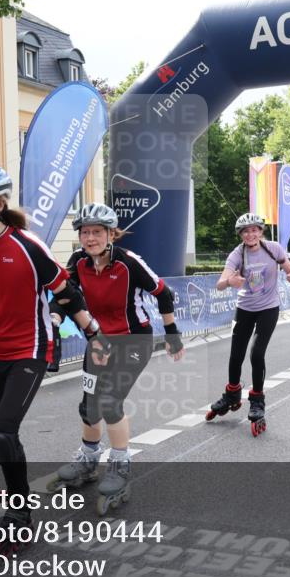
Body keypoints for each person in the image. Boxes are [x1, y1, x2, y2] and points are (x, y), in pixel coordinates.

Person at [0, 163, 111, 558]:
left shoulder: (29, 247)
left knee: (0, 433)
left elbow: (66, 294)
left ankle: (20, 516)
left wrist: (93, 334)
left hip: (31, 351)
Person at [48, 203, 185, 514]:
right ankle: (88, 458)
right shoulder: (77, 261)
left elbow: (163, 293)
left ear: (111, 234)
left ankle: (120, 464)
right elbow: (63, 296)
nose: (91, 238)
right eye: (85, 232)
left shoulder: (128, 262)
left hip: (133, 341)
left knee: (109, 402)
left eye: (97, 232)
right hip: (98, 342)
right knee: (88, 405)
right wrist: (54, 319)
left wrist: (173, 333)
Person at [206, 212, 290, 437]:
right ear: (241, 234)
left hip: (268, 308)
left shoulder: (273, 248)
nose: (251, 234)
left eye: (255, 229)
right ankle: (232, 394)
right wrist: (230, 281)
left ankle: (257, 400)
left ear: (261, 231)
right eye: (246, 231)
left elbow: (289, 269)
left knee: (257, 354)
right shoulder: (237, 254)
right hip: (245, 308)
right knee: (235, 355)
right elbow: (220, 284)